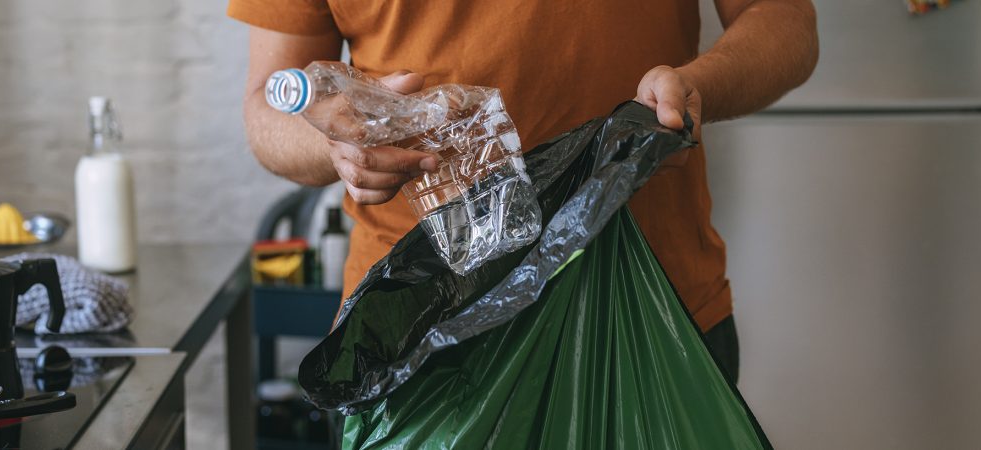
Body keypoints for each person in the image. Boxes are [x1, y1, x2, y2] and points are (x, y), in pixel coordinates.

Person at [228, 0, 818, 383]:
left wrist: (697, 87)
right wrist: (337, 147)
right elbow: (266, 111)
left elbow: (786, 20)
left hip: (649, 316)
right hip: (421, 338)